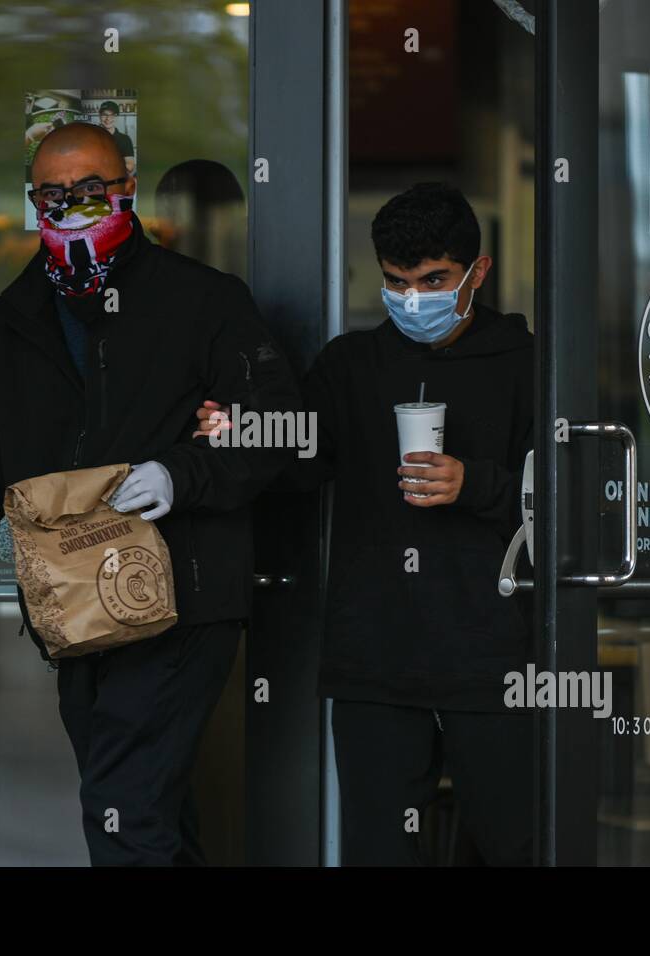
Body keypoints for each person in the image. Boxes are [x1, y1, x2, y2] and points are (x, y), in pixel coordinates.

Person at [0, 122, 300, 865]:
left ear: (126, 189)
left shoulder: (202, 300)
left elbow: (276, 423)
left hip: (181, 597)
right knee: (147, 810)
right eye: (54, 193)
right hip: (74, 608)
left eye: (91, 190)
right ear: (32, 202)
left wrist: (184, 472)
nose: (74, 206)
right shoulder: (12, 322)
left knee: (122, 809)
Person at [195, 182, 536, 865]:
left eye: (434, 280)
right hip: (375, 658)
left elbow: (565, 499)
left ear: (480, 272)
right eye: (397, 282)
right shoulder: (352, 365)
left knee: (515, 847)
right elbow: (299, 462)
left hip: (494, 656)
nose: (414, 299)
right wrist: (243, 432)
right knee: (379, 851)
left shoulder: (527, 363)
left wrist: (475, 483)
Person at [97, 101, 136, 174]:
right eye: (104, 115)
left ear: (117, 117)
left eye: (112, 115)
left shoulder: (125, 139)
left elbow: (130, 166)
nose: (108, 118)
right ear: (99, 116)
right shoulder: (93, 137)